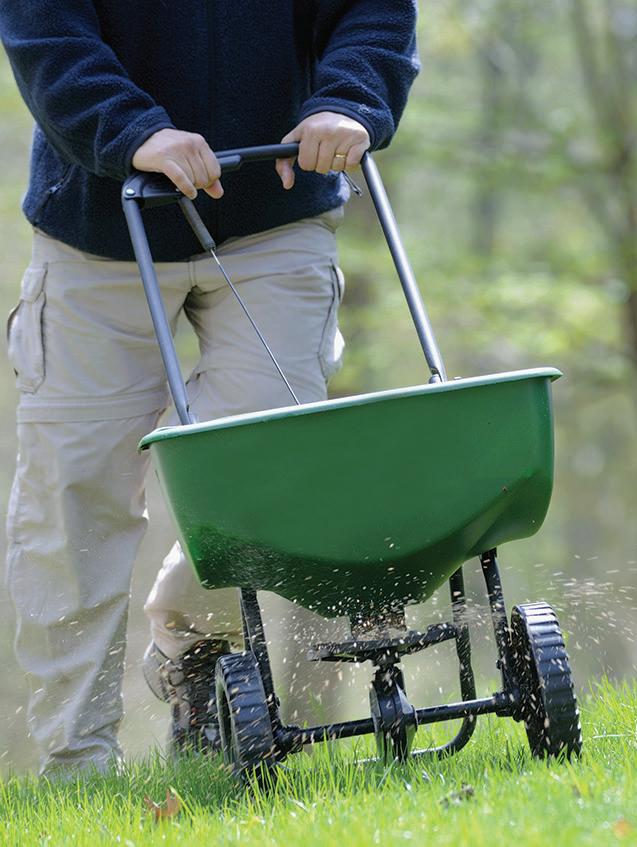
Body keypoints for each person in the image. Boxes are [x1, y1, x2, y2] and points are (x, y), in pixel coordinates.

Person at [0, 3, 419, 777]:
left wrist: (348, 100)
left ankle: (196, 653)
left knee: (267, 467)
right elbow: (42, 26)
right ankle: (75, 762)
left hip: (275, 211)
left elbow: (372, 9)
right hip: (98, 222)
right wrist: (132, 131)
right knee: (74, 492)